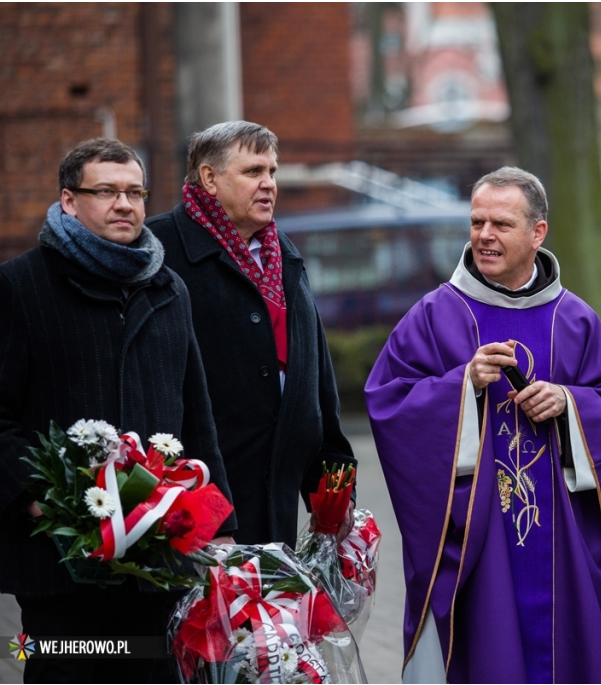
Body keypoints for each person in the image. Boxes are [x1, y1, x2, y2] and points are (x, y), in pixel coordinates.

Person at [365, 167, 601, 683]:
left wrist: (569, 404)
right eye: (477, 222)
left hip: (559, 543)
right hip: (477, 541)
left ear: (537, 233)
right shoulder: (435, 315)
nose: (484, 236)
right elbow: (390, 406)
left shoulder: (574, 319)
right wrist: (463, 387)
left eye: (500, 223)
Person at [0, 138, 237, 683]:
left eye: (135, 192)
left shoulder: (168, 288)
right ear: (68, 200)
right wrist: (36, 499)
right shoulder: (20, 287)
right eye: (106, 191)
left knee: (149, 670)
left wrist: (220, 526)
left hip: (158, 560)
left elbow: (196, 414)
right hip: (62, 563)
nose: (125, 204)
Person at [148, 121, 356, 546]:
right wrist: (207, 517)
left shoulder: (283, 253)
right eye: (253, 172)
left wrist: (335, 490)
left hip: (275, 501)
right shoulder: (158, 251)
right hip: (194, 508)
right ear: (209, 178)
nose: (268, 185)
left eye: (273, 172)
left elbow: (316, 385)